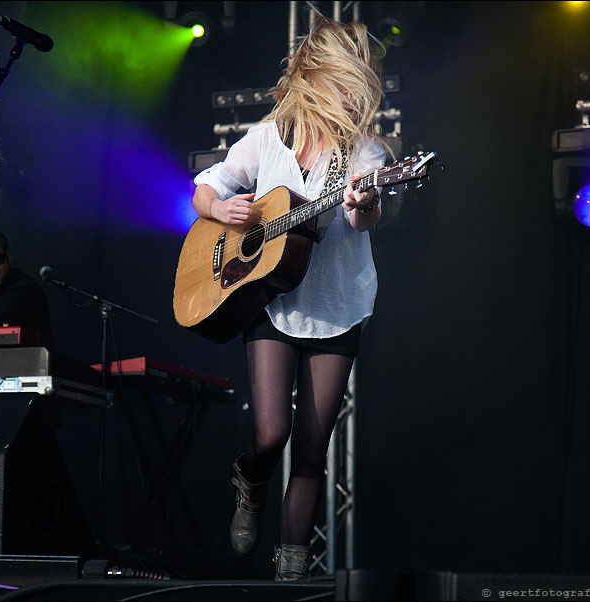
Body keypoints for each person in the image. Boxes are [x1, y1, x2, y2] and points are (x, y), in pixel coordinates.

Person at [190, 17, 388, 580]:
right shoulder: (268, 134)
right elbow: (208, 185)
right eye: (341, 79)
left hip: (339, 303)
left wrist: (366, 200)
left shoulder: (366, 149)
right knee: (271, 431)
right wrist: (219, 210)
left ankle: (293, 566)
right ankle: (250, 482)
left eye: (356, 82)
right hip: (272, 301)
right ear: (317, 76)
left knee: (310, 445)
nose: (348, 91)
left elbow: (363, 217)